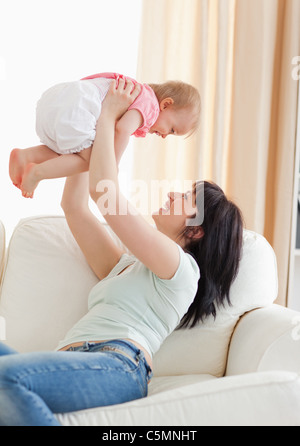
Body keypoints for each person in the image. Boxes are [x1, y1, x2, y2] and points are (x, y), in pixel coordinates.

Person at [0, 79, 243, 426]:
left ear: (197, 229)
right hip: (75, 360)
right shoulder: (126, 266)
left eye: (187, 198)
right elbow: (75, 206)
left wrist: (109, 115)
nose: (173, 195)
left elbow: (105, 193)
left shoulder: (181, 269)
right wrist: (97, 129)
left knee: (4, 380)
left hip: (117, 365)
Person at [8, 72, 201, 198]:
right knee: (93, 161)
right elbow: (123, 129)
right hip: (78, 110)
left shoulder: (136, 90)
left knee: (73, 154)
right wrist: (112, 164)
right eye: (173, 130)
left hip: (57, 102)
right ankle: (37, 172)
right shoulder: (149, 106)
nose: (166, 136)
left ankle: (27, 156)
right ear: (166, 105)